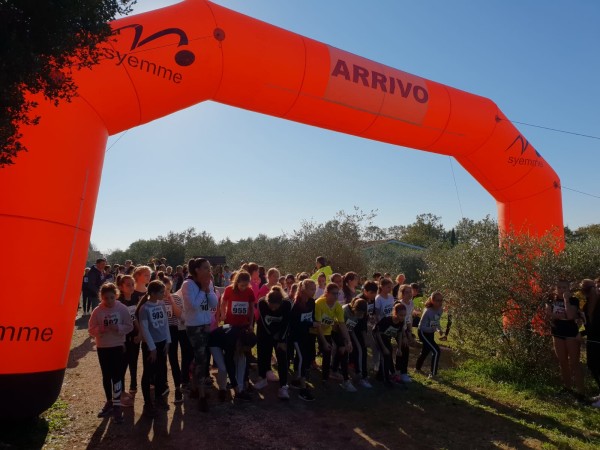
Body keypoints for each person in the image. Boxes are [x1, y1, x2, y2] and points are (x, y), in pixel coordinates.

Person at [89, 283, 133, 423]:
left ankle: (117, 405)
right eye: (106, 298)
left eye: (112, 298)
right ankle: (109, 401)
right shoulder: (97, 311)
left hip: (117, 346)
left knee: (117, 376)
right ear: (101, 297)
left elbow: (129, 326)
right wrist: (100, 329)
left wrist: (118, 327)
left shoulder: (122, 309)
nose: (109, 301)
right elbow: (91, 329)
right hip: (103, 347)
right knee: (106, 376)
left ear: (116, 296)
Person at [182, 258, 218, 411]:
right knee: (201, 359)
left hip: (206, 325)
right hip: (194, 327)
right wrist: (203, 289)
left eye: (209, 268)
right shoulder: (187, 284)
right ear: (197, 269)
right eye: (206, 268)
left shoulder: (208, 283)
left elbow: (214, 304)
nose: (209, 270)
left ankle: (196, 388)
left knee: (201, 359)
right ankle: (201, 395)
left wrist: (208, 290)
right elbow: (194, 306)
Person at [136, 280, 171, 416]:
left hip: (162, 344)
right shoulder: (144, 308)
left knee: (161, 371)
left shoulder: (161, 304)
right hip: (151, 347)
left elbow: (165, 324)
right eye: (162, 292)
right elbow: (144, 329)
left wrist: (168, 341)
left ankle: (158, 398)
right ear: (153, 293)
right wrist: (152, 348)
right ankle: (148, 402)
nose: (164, 294)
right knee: (149, 372)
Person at [546, 280, 584, 399]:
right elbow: (548, 313)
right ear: (556, 288)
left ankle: (581, 392)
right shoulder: (551, 300)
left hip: (571, 334)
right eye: (559, 287)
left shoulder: (573, 300)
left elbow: (571, 315)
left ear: (568, 288)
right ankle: (567, 388)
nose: (562, 289)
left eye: (564, 287)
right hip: (557, 333)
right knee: (562, 362)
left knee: (574, 363)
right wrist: (559, 316)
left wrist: (566, 300)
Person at [312, 283, 354, 390]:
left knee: (343, 348)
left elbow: (342, 324)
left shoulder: (337, 305)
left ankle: (343, 378)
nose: (336, 296)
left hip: (328, 330)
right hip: (315, 331)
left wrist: (348, 341)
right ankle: (324, 378)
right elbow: (318, 326)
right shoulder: (319, 303)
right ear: (326, 293)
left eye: (338, 293)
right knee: (326, 351)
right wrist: (325, 343)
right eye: (334, 293)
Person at [254, 286, 292, 399]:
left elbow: (286, 323)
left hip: (280, 333)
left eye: (276, 307)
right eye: (272, 307)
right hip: (264, 332)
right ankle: (262, 378)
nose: (274, 310)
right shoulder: (262, 303)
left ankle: (283, 386)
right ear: (267, 301)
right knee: (263, 354)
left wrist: (281, 340)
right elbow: (265, 324)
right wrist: (272, 337)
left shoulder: (287, 304)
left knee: (282, 357)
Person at [221, 270, 256, 391]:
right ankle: (232, 380)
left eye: (246, 285)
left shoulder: (250, 291)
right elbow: (223, 302)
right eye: (242, 285)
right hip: (230, 326)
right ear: (236, 282)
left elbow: (251, 309)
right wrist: (223, 314)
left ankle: (245, 380)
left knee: (243, 353)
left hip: (243, 326)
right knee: (230, 353)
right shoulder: (229, 290)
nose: (244, 287)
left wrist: (251, 324)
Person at [209, 325, 256, 402]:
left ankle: (240, 391)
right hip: (215, 341)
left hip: (228, 341)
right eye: (245, 348)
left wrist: (246, 379)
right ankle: (222, 389)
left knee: (242, 360)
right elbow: (229, 364)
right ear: (241, 343)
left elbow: (245, 362)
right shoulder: (231, 340)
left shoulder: (245, 337)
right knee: (223, 368)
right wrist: (234, 385)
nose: (246, 350)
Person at [289, 279, 318, 401]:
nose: (314, 291)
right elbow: (295, 324)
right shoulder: (296, 305)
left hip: (307, 335)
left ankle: (296, 379)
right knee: (301, 358)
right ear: (303, 290)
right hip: (296, 336)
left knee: (305, 357)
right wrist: (311, 323)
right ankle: (302, 389)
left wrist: (313, 324)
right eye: (311, 289)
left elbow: (312, 317)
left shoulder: (312, 302)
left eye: (314, 288)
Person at [158, 273, 184, 404]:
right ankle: (164, 385)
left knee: (173, 359)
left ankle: (178, 388)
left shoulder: (175, 298)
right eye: (163, 290)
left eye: (168, 289)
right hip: (159, 331)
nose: (165, 293)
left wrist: (171, 300)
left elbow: (179, 315)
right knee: (161, 360)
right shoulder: (154, 300)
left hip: (172, 330)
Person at [116, 274, 141, 399]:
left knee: (134, 361)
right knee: (122, 364)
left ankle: (133, 385)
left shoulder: (137, 298)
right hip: (123, 338)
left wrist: (140, 334)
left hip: (135, 336)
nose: (131, 287)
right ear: (121, 287)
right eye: (128, 285)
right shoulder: (118, 302)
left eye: (132, 284)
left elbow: (138, 317)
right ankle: (121, 389)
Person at [372, 302, 406, 387]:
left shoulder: (401, 322)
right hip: (377, 336)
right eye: (401, 315)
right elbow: (378, 333)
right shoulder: (386, 320)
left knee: (389, 352)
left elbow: (399, 333)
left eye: (404, 315)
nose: (403, 317)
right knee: (386, 355)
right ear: (395, 313)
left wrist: (399, 348)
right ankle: (386, 379)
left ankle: (381, 376)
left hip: (386, 338)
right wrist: (383, 348)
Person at [342, 297, 372, 388]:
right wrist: (347, 340)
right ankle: (351, 375)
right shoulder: (345, 311)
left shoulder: (362, 313)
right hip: (340, 333)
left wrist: (365, 339)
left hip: (351, 332)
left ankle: (361, 374)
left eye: (362, 314)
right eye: (359, 313)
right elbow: (340, 326)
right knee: (346, 351)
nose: (360, 315)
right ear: (354, 308)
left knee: (360, 349)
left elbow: (358, 327)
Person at [416, 292, 445, 378]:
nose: (440, 302)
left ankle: (417, 368)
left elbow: (436, 322)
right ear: (432, 300)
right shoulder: (428, 311)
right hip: (423, 332)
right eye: (437, 300)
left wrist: (439, 329)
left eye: (441, 300)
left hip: (430, 332)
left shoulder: (440, 310)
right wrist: (435, 328)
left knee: (426, 351)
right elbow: (427, 325)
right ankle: (433, 374)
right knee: (436, 351)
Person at [581, 279, 600, 407]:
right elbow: (588, 326)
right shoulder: (587, 305)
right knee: (592, 365)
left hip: (598, 340)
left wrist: (581, 334)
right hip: (592, 340)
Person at [395, 284, 416, 383]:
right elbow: (399, 322)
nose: (409, 294)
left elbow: (409, 319)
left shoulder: (411, 303)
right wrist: (404, 336)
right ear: (402, 294)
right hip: (398, 328)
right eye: (407, 292)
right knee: (403, 347)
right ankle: (400, 372)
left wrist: (410, 333)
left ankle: (401, 371)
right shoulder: (399, 304)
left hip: (405, 328)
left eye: (410, 292)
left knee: (405, 349)